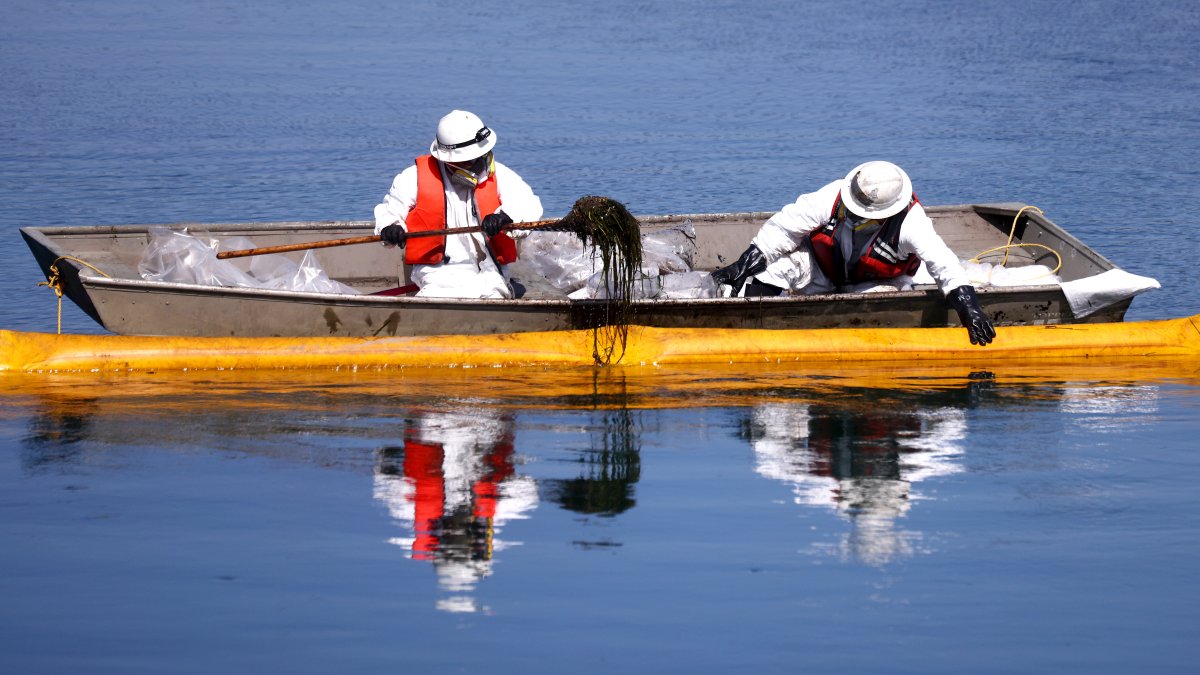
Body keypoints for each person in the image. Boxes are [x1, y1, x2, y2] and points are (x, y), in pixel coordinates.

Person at [712, 161, 996, 346]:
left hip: (873, 284)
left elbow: (943, 264)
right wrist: (741, 266)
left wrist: (969, 309)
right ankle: (751, 326)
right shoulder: (834, 195)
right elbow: (783, 229)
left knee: (879, 299)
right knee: (775, 267)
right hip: (824, 271)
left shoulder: (912, 223)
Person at [374, 110, 544, 298]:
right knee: (439, 296)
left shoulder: (499, 174)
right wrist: (390, 228)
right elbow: (390, 210)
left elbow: (528, 203)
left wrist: (505, 217)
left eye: (476, 157)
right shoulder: (413, 177)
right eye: (466, 161)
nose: (473, 163)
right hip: (436, 271)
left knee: (492, 295)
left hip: (490, 267)